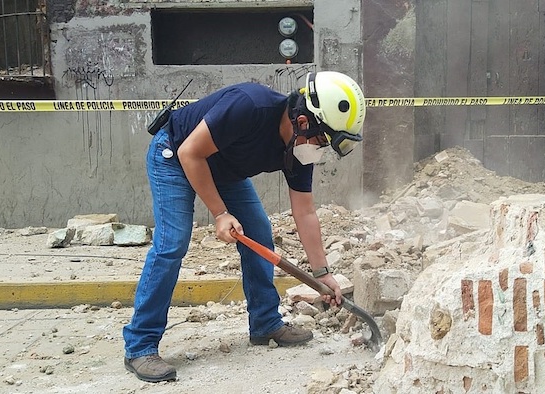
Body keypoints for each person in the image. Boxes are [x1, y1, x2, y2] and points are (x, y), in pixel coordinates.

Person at [122, 71, 367, 382]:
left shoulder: (300, 148)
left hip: (221, 169)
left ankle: (265, 324)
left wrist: (322, 273)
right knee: (173, 243)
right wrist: (220, 213)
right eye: (322, 141)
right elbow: (190, 153)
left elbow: (304, 212)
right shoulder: (250, 106)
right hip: (174, 153)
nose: (320, 151)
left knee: (259, 234)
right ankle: (140, 345)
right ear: (303, 121)